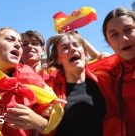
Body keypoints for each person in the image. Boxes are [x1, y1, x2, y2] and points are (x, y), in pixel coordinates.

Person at [0, 27, 63, 136]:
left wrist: (36, 121)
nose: (18, 45)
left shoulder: (30, 80)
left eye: (20, 44)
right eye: (10, 39)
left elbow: (50, 126)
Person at [42, 30, 106, 136]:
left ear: (84, 54)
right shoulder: (50, 91)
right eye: (65, 48)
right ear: (57, 59)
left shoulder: (102, 80)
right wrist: (43, 114)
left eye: (76, 45)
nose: (72, 49)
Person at [101, 7, 135, 136]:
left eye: (129, 30)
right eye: (114, 34)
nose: (124, 38)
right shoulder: (112, 70)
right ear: (109, 43)